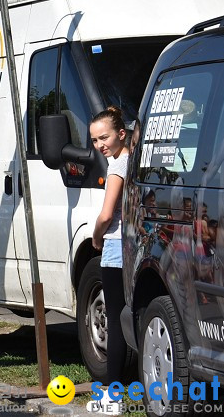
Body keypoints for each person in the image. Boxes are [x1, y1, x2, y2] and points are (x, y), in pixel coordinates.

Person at [90, 107, 130, 414]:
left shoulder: (118, 166)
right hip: (133, 245)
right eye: (94, 140)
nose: (99, 145)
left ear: (121, 134)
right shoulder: (135, 161)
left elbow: (106, 215)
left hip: (115, 245)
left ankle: (111, 397)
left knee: (114, 321)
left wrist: (95, 236)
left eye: (104, 137)